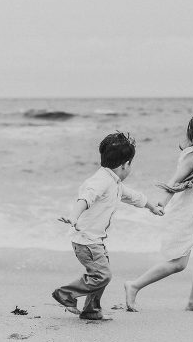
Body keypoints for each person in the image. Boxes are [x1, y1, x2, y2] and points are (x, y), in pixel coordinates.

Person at [52, 131, 163, 320]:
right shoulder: (100, 181)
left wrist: (151, 206)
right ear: (125, 165)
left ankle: (91, 311)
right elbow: (86, 198)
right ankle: (66, 294)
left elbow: (132, 196)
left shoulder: (113, 181)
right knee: (102, 275)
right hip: (86, 240)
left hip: (96, 239)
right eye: (131, 164)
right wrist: (73, 216)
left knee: (100, 276)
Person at [124, 110, 193, 313]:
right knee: (178, 264)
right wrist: (162, 203)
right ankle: (134, 285)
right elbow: (175, 180)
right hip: (186, 217)